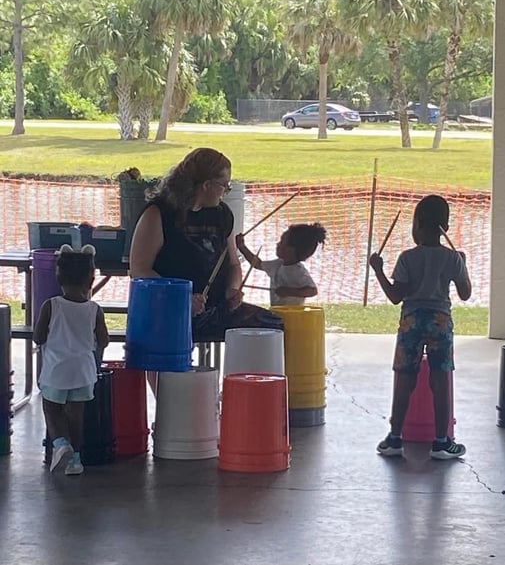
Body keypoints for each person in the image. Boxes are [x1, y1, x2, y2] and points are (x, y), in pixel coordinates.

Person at [129, 147, 282, 338]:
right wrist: (182, 298)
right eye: (224, 185)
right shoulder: (159, 213)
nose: (226, 191)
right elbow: (139, 270)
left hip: (215, 308)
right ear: (207, 185)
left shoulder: (222, 214)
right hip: (167, 308)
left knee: (273, 327)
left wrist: (233, 289)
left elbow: (233, 264)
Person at [369, 195, 472, 460]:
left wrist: (378, 270)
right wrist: (463, 264)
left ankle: (394, 438)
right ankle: (442, 442)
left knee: (405, 378)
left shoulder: (407, 258)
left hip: (411, 321)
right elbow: (465, 294)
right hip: (440, 321)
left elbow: (395, 296)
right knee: (441, 379)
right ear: (445, 227)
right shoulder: (452, 258)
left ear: (417, 225)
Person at [33, 244, 109, 475]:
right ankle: (76, 460)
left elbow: (38, 337)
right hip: (84, 371)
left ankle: (60, 443)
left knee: (51, 407)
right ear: (90, 280)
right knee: (77, 415)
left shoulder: (51, 306)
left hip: (56, 370)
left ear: (59, 277)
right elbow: (104, 340)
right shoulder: (95, 309)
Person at [236, 223, 326, 306]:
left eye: (282, 242)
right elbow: (257, 264)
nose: (277, 244)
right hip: (277, 311)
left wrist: (288, 291)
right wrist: (242, 246)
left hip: (292, 314)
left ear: (291, 250)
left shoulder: (299, 272)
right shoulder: (277, 264)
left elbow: (312, 291)